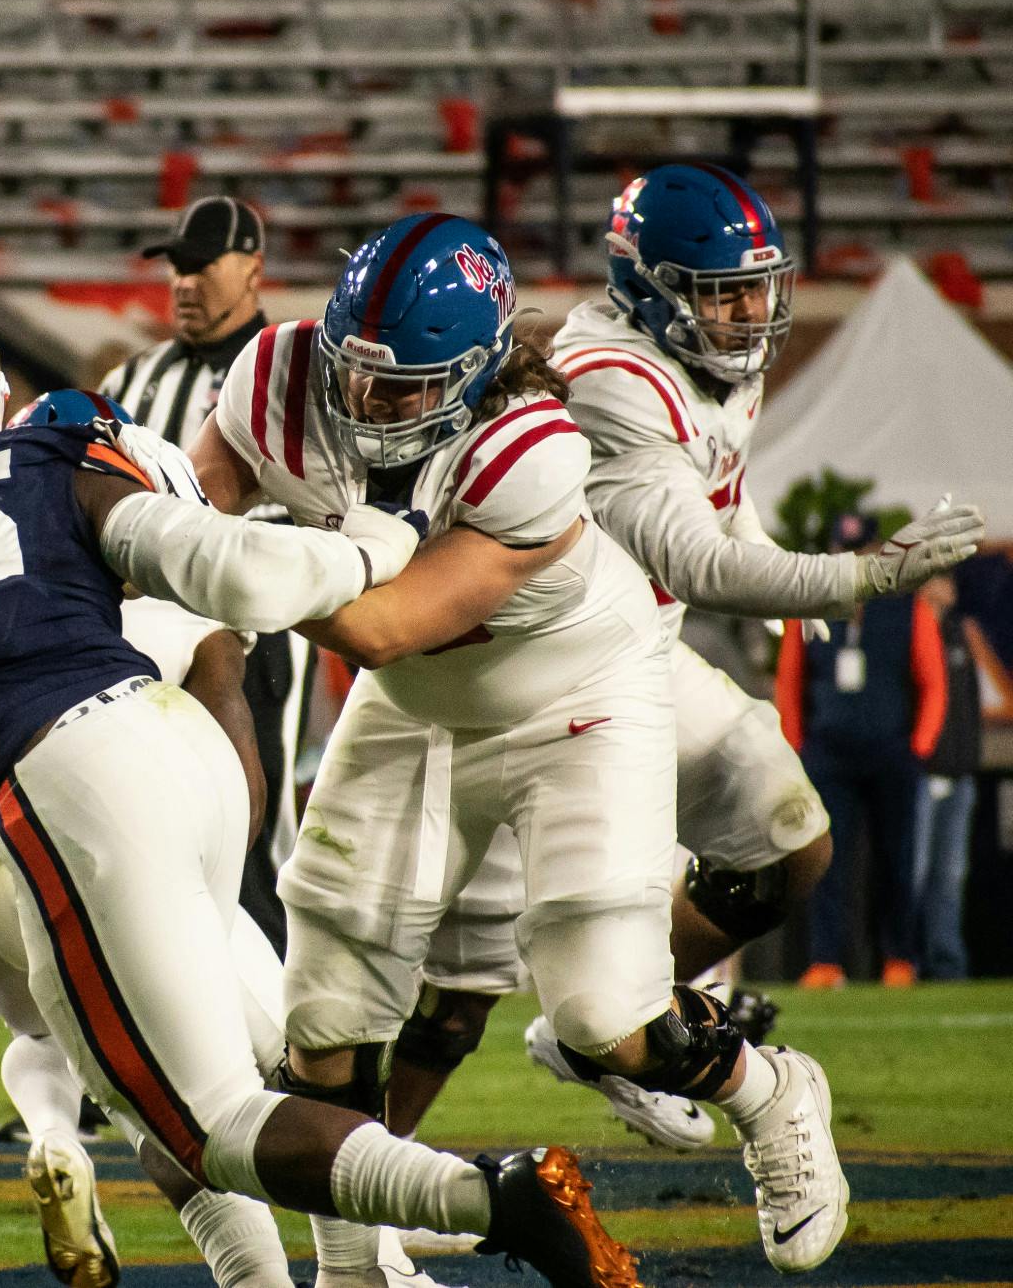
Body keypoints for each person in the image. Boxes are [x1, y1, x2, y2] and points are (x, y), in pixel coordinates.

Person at [0, 296, 644, 1288]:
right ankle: (365, 1274)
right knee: (255, 1066)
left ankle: (494, 1199)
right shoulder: (46, 460)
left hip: (58, 794)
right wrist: (383, 539)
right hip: (176, 748)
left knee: (203, 1124)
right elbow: (222, 564)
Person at [185, 213, 846, 1277]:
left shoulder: (532, 449)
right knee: (328, 1010)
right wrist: (195, 547)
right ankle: (357, 1272)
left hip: (575, 696)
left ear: (477, 371)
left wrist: (240, 563)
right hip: (418, 702)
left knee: (604, 1018)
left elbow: (380, 625)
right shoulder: (280, 373)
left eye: (404, 387)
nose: (369, 401)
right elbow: (195, 501)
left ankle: (770, 1091)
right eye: (357, 371)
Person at [374, 167, 984, 1151]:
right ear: (650, 288)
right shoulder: (613, 381)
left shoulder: (707, 364)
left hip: (634, 660)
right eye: (722, 292)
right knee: (455, 994)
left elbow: (716, 489)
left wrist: (768, 546)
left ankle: (613, 1028)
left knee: (789, 843)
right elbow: (693, 559)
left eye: (755, 288)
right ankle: (352, 1177)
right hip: (529, 680)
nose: (749, 313)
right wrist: (852, 576)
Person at [98, 196, 298, 953]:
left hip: (258, 620)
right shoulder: (134, 376)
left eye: (202, 265)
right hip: (142, 621)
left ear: (253, 268)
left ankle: (271, 986)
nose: (183, 283)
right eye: (176, 267)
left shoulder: (288, 367)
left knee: (252, 816)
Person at [778, 512, 948, 989]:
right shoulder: (810, 607)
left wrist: (919, 747)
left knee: (897, 859)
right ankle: (825, 960)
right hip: (829, 752)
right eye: (843, 552)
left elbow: (932, 680)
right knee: (826, 861)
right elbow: (789, 681)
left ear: (877, 552)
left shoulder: (906, 606)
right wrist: (796, 746)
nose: (851, 561)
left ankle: (898, 957)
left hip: (891, 751)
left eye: (860, 551)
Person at [914, 572, 980, 980]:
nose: (950, 586)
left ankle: (947, 963)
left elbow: (969, 705)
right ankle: (906, 960)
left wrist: (968, 759)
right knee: (915, 873)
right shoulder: (910, 630)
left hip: (958, 774)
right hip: (922, 773)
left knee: (951, 874)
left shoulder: (958, 633)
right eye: (941, 577)